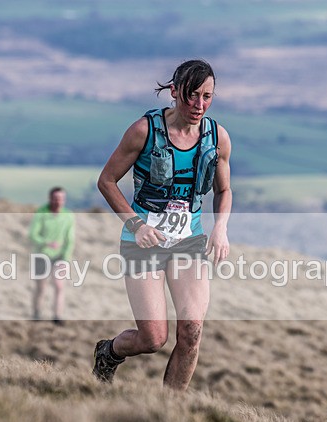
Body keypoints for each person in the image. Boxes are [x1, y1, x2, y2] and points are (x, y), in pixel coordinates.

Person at [93, 59, 232, 391]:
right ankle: (108, 352)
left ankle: (168, 413)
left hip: (188, 243)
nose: (199, 105)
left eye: (207, 96)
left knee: (192, 332)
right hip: (145, 244)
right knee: (153, 338)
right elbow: (107, 181)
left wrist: (220, 227)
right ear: (173, 91)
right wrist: (137, 225)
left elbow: (224, 189)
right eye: (192, 95)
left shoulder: (217, 137)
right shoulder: (144, 131)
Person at [28, 186, 75, 324]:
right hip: (42, 255)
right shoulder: (41, 213)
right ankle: (36, 313)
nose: (58, 201)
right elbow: (33, 235)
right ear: (50, 199)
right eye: (55, 199)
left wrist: (66, 257)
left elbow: (70, 239)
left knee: (59, 286)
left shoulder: (68, 216)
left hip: (60, 256)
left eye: (61, 199)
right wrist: (47, 243)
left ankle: (57, 316)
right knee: (41, 287)